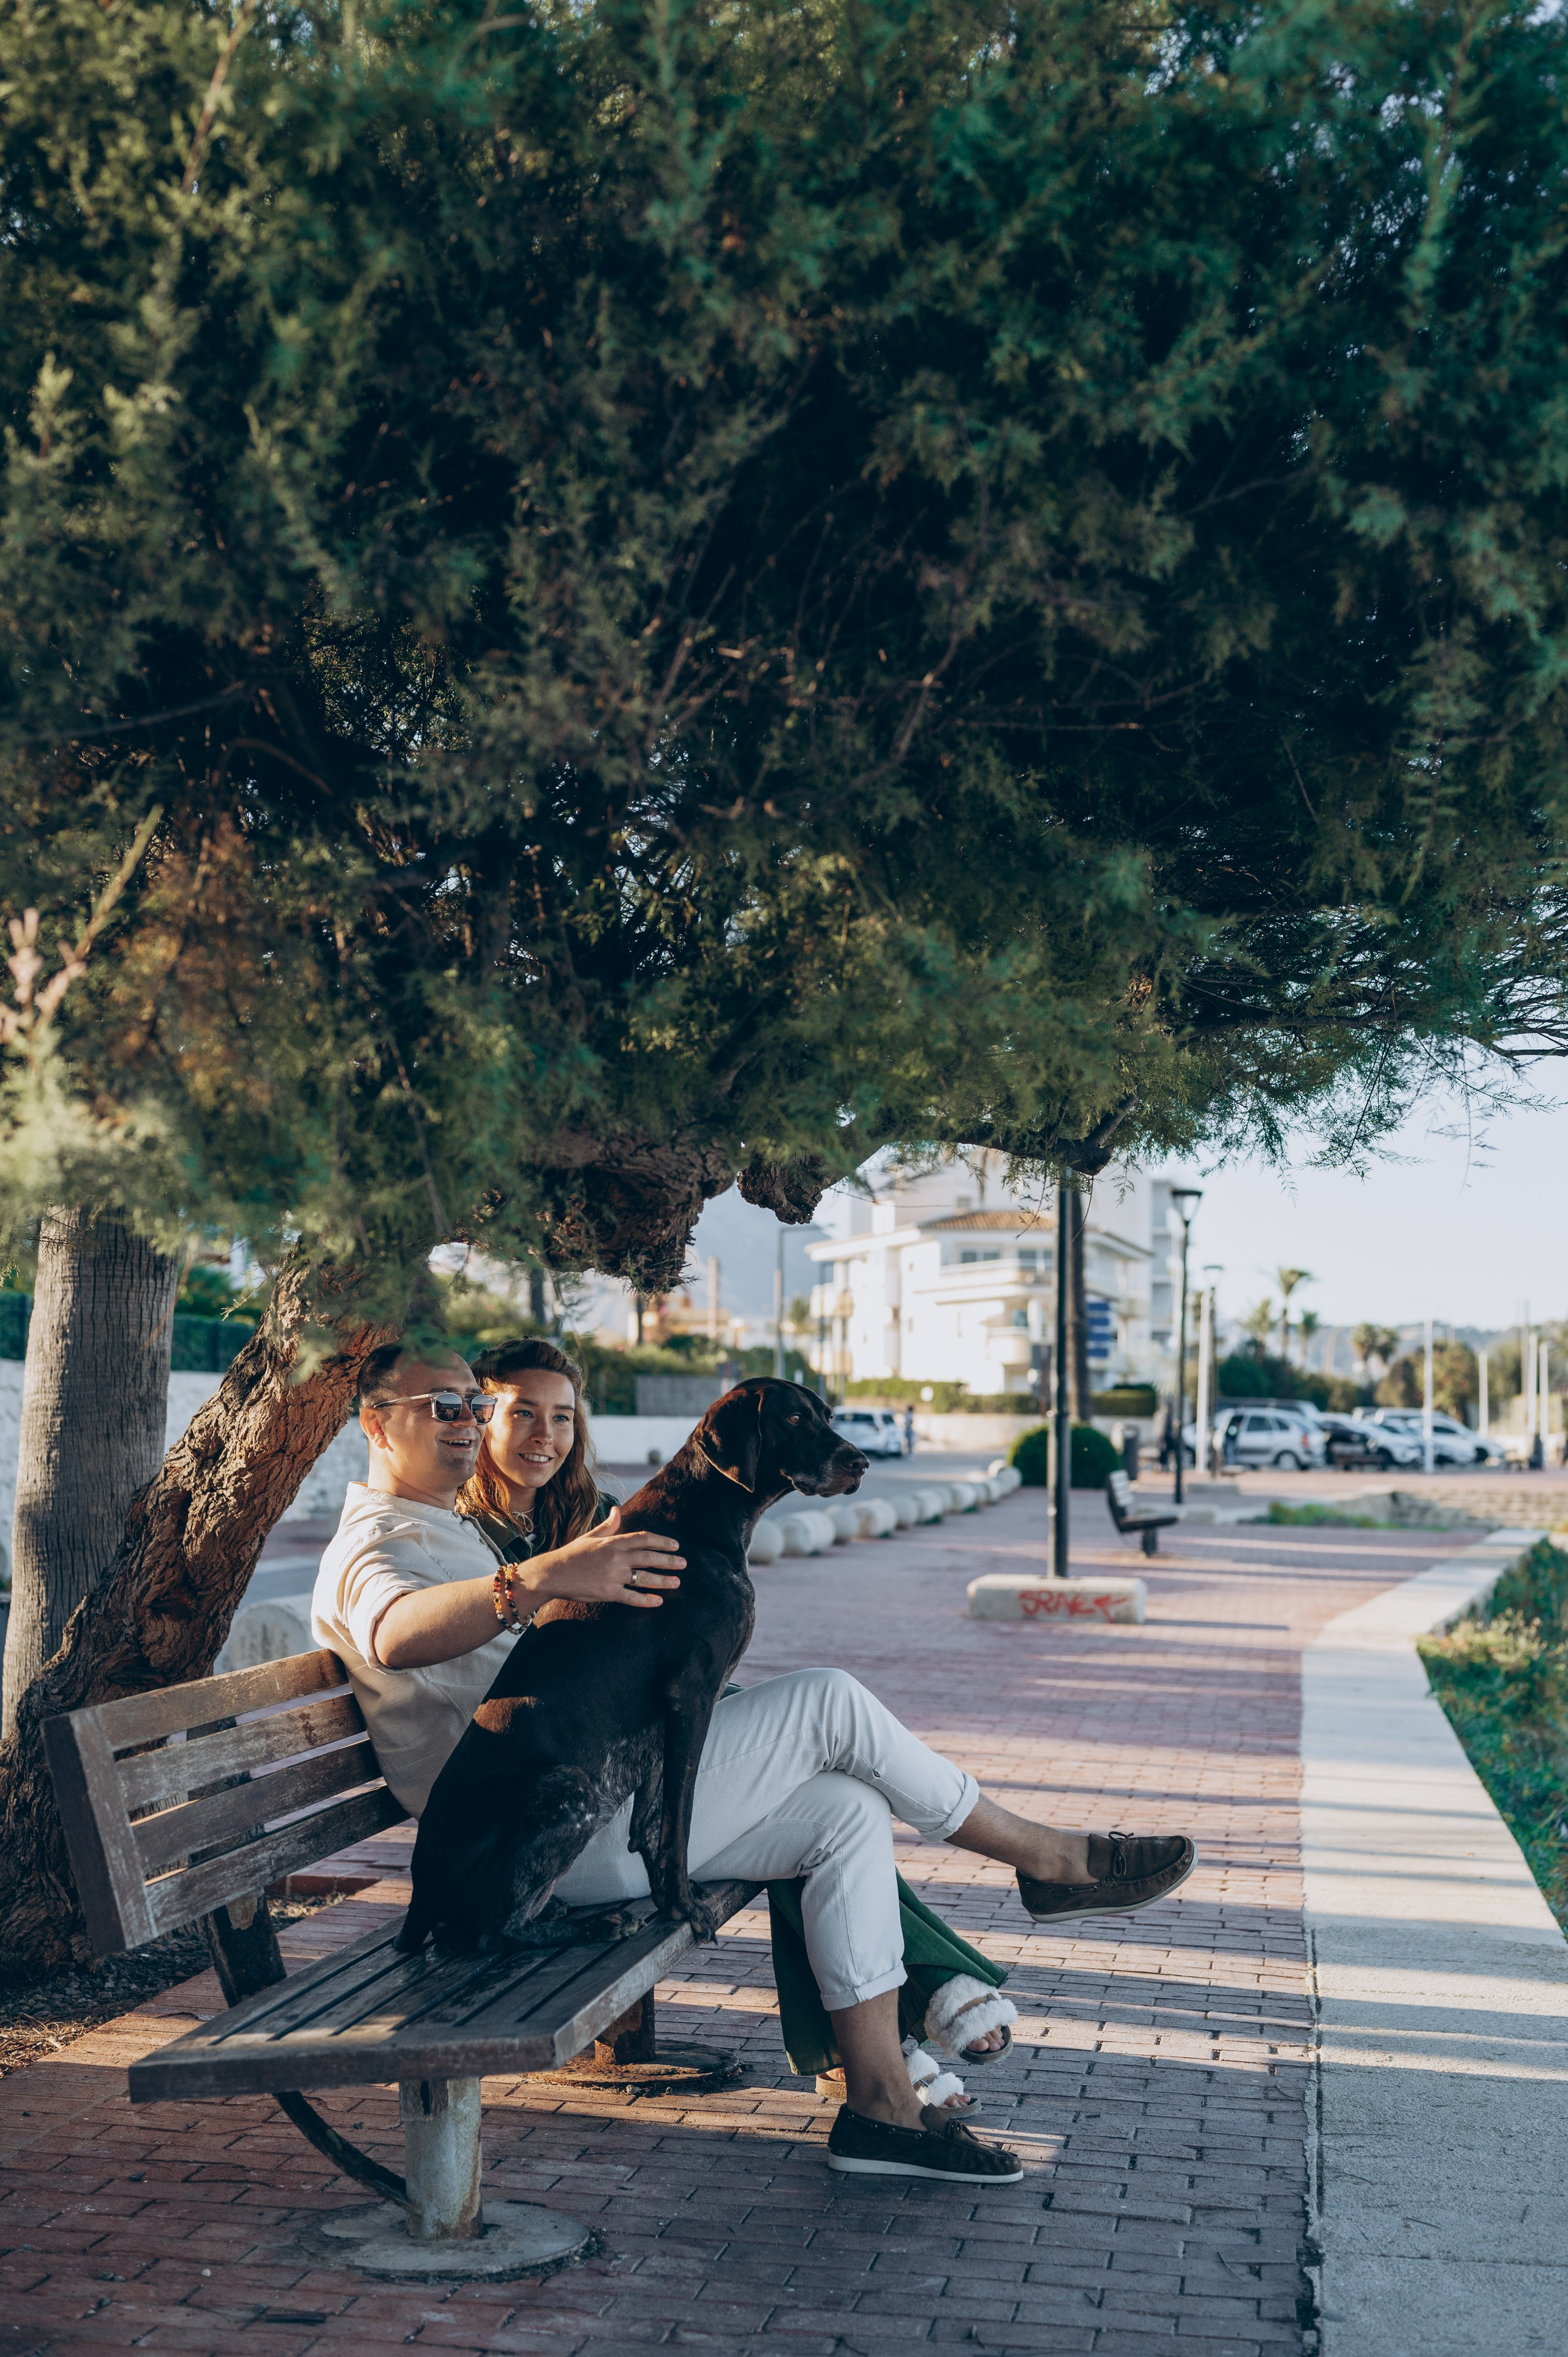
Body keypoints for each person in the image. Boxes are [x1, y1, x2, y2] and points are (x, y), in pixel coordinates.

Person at [313, 1338, 1196, 2188]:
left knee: (844, 1808)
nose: (468, 1421)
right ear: (377, 1424)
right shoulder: (378, 1542)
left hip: (590, 1816)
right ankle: (1046, 1859)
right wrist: (544, 1578)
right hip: (535, 1851)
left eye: (475, 1403)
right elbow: (395, 1632)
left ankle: (881, 2104)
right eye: (446, 1407)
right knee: (830, 1703)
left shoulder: (452, 1529)